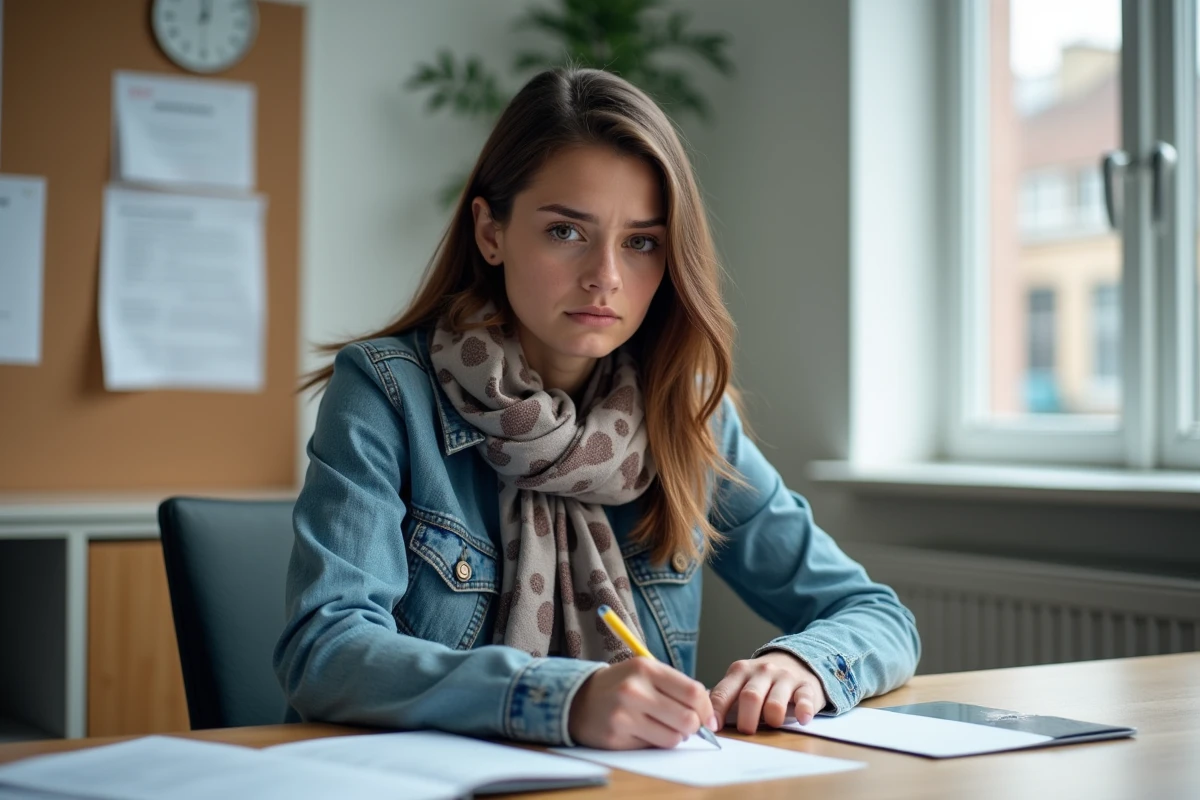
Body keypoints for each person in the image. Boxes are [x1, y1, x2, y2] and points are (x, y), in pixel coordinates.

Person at [274, 67, 920, 750]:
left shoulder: (682, 412)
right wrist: (557, 697)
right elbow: (325, 649)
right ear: (491, 232)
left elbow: (875, 614)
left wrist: (805, 664)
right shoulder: (385, 392)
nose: (605, 277)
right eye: (565, 231)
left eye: (641, 242)